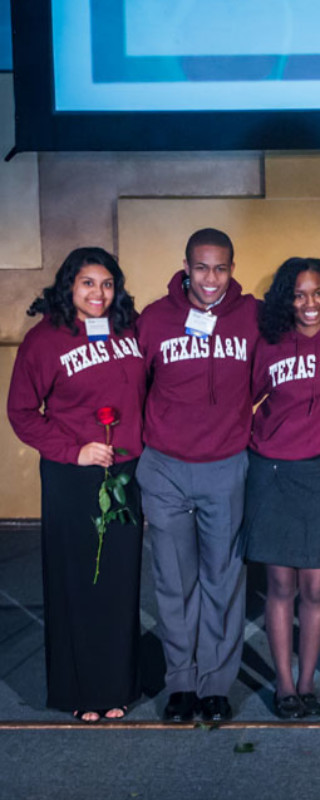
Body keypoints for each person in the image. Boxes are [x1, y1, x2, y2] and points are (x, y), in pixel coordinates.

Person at [7, 247, 146, 723]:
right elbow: (22, 413)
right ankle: (81, 690)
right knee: (79, 583)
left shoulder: (130, 327)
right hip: (73, 476)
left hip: (125, 475)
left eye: (107, 283)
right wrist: (75, 450)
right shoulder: (44, 340)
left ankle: (116, 685)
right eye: (88, 283)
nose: (98, 293)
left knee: (120, 583)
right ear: (69, 285)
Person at [135, 228, 260, 723]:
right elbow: (130, 381)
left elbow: (307, 329)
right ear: (186, 265)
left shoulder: (252, 316)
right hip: (164, 466)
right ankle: (181, 684)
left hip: (226, 465)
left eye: (221, 268)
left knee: (223, 581)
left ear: (232, 266)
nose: (211, 278)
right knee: (173, 583)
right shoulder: (155, 319)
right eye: (202, 267)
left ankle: (215, 685)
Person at [241, 257, 320, 720]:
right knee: (280, 584)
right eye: (298, 294)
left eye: (317, 293)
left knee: (315, 586)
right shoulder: (268, 343)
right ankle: (284, 686)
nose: (309, 303)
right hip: (272, 473)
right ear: (284, 299)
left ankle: (308, 682)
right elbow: (241, 398)